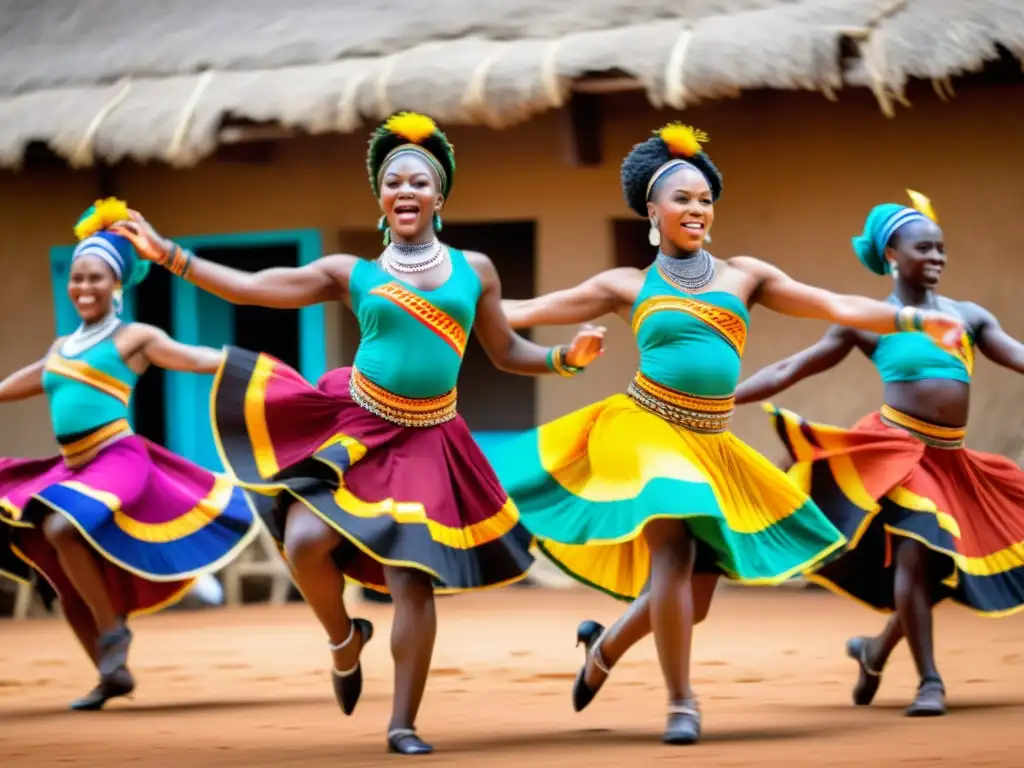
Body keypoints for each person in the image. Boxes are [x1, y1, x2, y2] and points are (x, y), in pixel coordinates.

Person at [106, 112, 605, 755]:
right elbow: (254, 290)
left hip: (432, 437)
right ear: (379, 196)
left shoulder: (474, 270)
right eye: (393, 180)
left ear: (439, 197)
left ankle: (402, 723)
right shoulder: (353, 273)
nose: (406, 190)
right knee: (306, 539)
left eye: (419, 182)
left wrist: (565, 359)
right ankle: (345, 639)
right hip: (361, 425)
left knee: (411, 576)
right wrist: (169, 255)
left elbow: (507, 350)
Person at [495, 125, 966, 745]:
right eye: (681, 199)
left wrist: (913, 319)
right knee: (674, 544)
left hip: (712, 441)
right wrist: (426, 301)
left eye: (704, 199)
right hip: (642, 427)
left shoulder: (746, 276)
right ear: (652, 212)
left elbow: (835, 306)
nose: (695, 209)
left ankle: (603, 646)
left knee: (698, 592)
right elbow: (519, 311)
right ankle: (681, 703)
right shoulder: (625, 285)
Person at [734, 191, 1024, 717]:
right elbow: (789, 369)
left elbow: (1018, 355)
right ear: (892, 255)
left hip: (953, 461)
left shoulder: (969, 317)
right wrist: (719, 396)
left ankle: (874, 650)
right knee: (914, 552)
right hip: (898, 453)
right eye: (923, 249)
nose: (936, 258)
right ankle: (930, 682)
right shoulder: (868, 320)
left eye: (941, 249)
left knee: (936, 568)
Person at [0, 198, 258, 710]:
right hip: (71, 464)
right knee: (58, 571)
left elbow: (194, 359)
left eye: (95, 278)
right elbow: (11, 386)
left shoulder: (134, 338)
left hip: (117, 457)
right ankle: (109, 673)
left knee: (59, 526)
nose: (84, 288)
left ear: (116, 284)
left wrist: (255, 366)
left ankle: (114, 630)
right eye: (77, 278)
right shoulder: (60, 348)